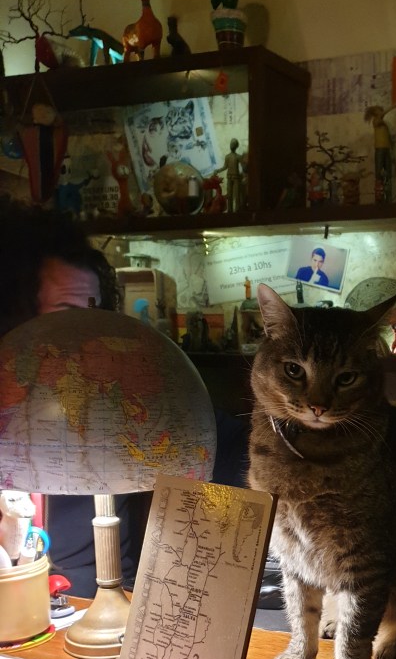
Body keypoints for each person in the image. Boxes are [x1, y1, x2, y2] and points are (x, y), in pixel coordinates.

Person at [0, 196, 250, 598]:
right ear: (16, 314)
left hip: (101, 603)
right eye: (65, 313)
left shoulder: (111, 395)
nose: (85, 334)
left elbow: (226, 441)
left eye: (94, 313)